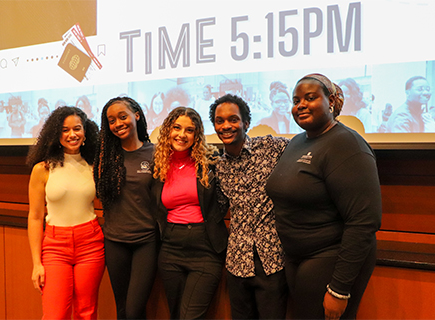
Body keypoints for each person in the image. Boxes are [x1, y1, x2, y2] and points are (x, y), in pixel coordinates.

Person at [266, 73, 382, 320]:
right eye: (296, 101)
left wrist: (339, 290)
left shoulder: (347, 144)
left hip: (330, 257)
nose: (301, 105)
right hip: (297, 257)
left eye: (310, 98)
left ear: (331, 101)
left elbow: (364, 221)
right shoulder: (297, 141)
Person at [209, 94, 289, 319]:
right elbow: (218, 209)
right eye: (219, 121)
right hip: (237, 261)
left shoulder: (271, 146)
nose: (226, 126)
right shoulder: (219, 166)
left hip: (271, 258)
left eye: (233, 119)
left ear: (246, 122)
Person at [27, 106, 104, 319]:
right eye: (65, 130)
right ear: (56, 133)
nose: (72, 135)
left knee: (86, 312)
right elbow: (34, 217)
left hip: (90, 243)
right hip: (55, 247)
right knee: (55, 314)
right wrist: (36, 263)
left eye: (77, 129)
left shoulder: (93, 166)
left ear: (85, 132)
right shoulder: (42, 169)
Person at [152, 107, 228, 319]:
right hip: (170, 250)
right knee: (176, 314)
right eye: (177, 128)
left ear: (197, 135)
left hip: (205, 248)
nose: (182, 135)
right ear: (168, 130)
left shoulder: (210, 161)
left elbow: (222, 199)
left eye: (189, 130)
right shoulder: (158, 165)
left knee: (189, 316)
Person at [93, 96, 158, 319]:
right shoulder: (106, 157)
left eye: (123, 117)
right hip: (114, 241)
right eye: (111, 120)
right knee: (122, 309)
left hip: (146, 242)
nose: (118, 124)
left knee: (133, 310)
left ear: (136, 115)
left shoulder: (155, 153)